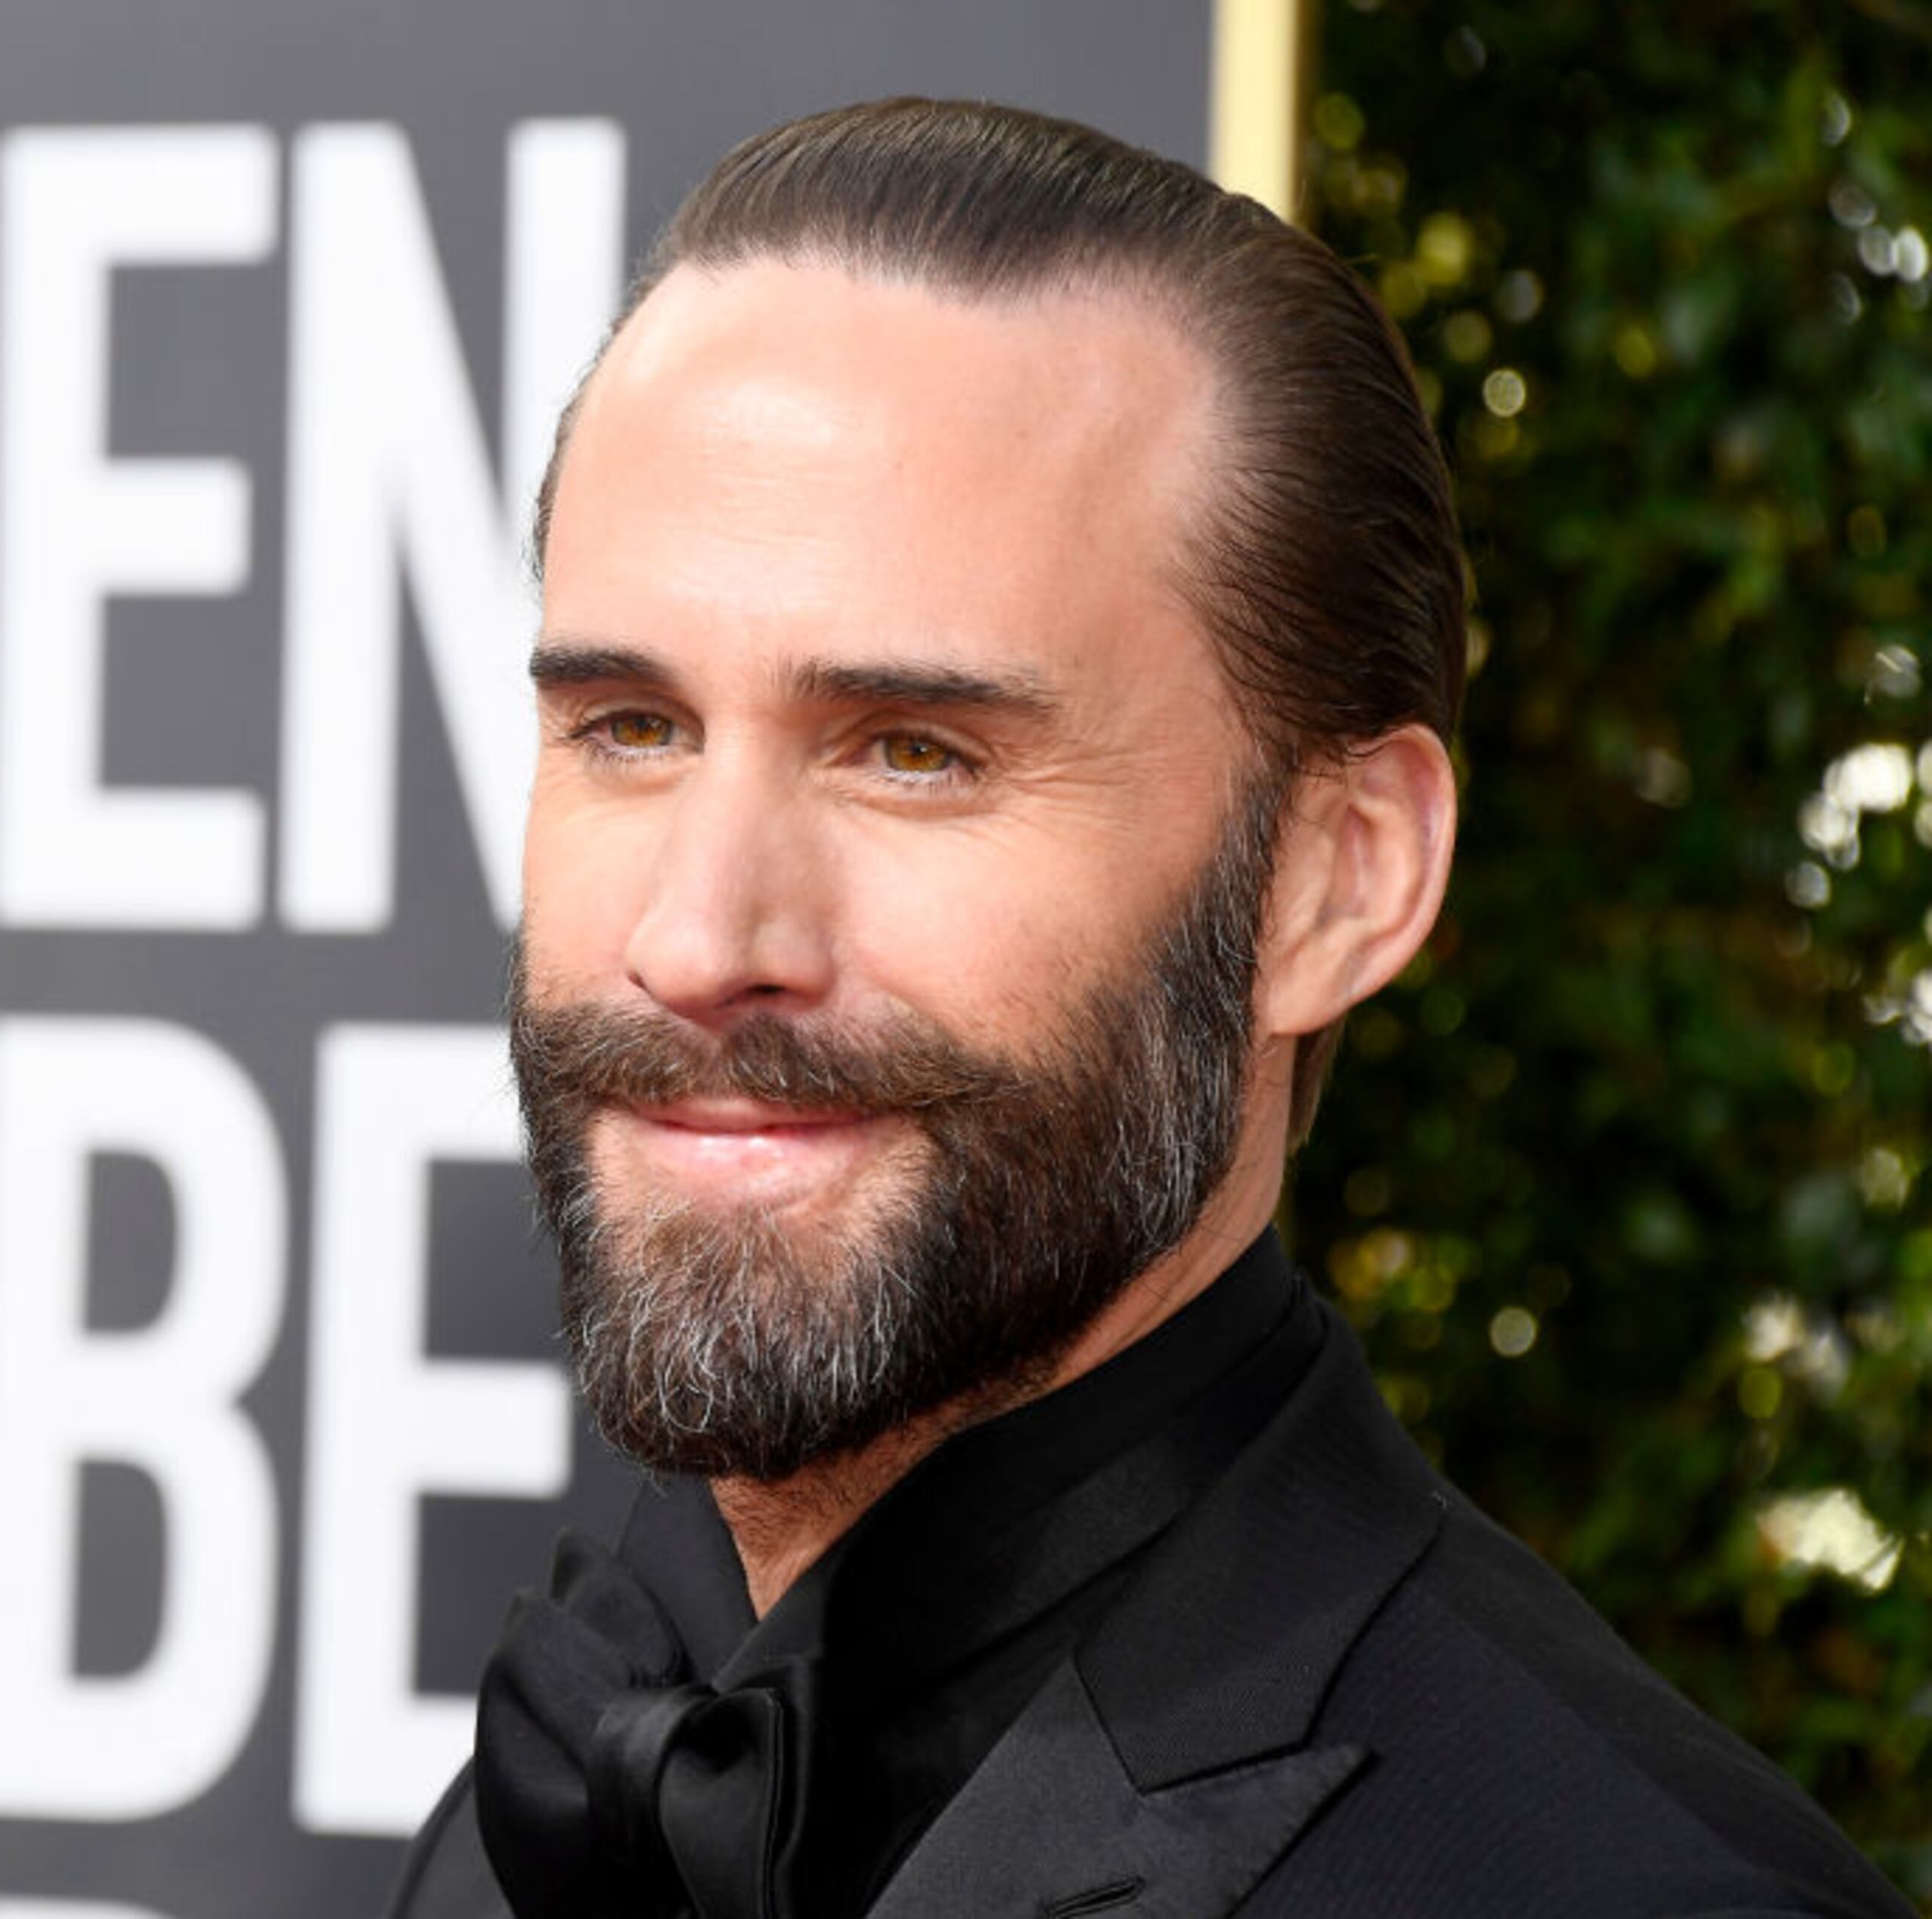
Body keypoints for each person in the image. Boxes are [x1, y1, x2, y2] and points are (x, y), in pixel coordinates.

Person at [385, 98, 1912, 1919]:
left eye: (916, 753)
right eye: (632, 729)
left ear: (1335, 882)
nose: (701, 938)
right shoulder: (530, 1820)